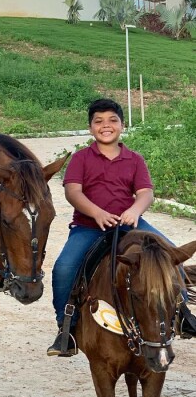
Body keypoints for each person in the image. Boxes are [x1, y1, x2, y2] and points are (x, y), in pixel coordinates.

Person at [47, 98, 194, 356]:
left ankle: (183, 314)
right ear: (91, 128)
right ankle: (66, 328)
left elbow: (146, 193)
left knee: (170, 255)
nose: (106, 125)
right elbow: (73, 192)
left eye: (112, 120)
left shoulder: (134, 159)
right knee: (64, 268)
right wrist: (97, 213)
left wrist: (134, 210)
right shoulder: (81, 158)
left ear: (122, 125)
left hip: (130, 224)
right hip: (89, 226)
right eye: (99, 121)